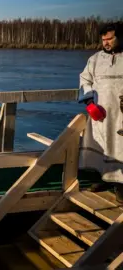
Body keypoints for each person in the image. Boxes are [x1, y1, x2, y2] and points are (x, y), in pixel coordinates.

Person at [78, 22, 123, 202]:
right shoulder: (95, 60)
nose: (106, 42)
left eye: (110, 39)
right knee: (102, 145)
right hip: (101, 114)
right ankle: (103, 179)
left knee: (120, 147)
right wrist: (89, 102)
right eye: (103, 39)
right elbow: (84, 80)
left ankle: (120, 185)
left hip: (121, 115)